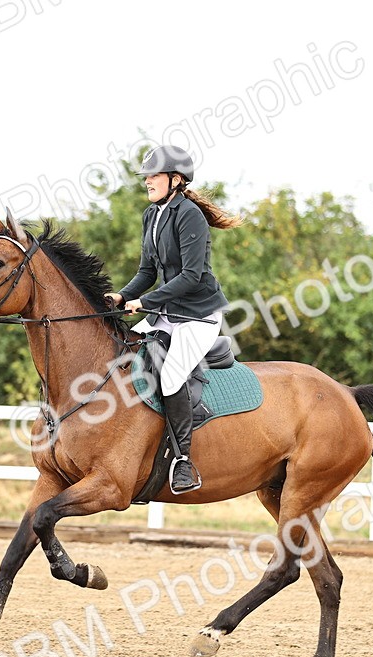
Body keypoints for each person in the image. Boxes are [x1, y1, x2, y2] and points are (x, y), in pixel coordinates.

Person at [105, 145, 241, 494]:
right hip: (168, 311)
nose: (147, 181)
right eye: (147, 176)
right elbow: (147, 271)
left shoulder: (188, 214)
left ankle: (183, 461)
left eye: (153, 175)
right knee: (123, 354)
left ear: (175, 179)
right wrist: (121, 296)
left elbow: (192, 276)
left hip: (197, 315)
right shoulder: (152, 215)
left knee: (170, 377)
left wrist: (144, 302)